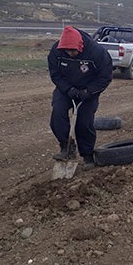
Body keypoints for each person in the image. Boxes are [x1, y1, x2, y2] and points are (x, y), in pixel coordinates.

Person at [48, 25, 113, 171]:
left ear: (80, 46)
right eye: (67, 51)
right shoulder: (56, 51)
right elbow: (55, 74)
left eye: (73, 51)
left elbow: (105, 76)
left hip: (88, 91)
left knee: (84, 121)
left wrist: (89, 91)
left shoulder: (97, 52)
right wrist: (67, 89)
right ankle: (66, 147)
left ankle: (87, 154)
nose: (70, 53)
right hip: (66, 90)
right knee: (57, 114)